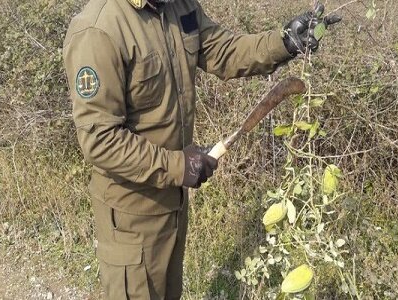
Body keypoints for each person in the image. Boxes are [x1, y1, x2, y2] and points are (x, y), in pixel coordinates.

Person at [63, 0, 340, 299]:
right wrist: (179, 166)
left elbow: (224, 51)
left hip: (175, 203)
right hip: (131, 218)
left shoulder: (179, 7)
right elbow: (100, 140)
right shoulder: (98, 29)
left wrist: (284, 42)